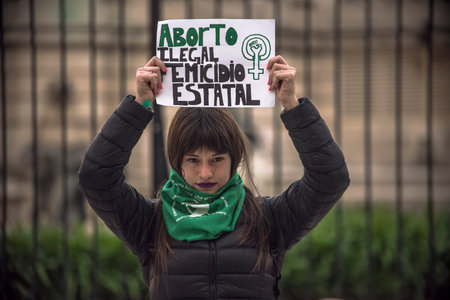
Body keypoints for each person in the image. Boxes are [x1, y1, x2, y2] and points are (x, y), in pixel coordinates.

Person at [78, 55, 350, 299]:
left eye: (217, 159)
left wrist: (292, 105)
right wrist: (140, 104)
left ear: (234, 160)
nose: (205, 173)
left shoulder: (270, 218)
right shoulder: (150, 222)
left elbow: (330, 178)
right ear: (177, 162)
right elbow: (96, 176)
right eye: (193, 160)